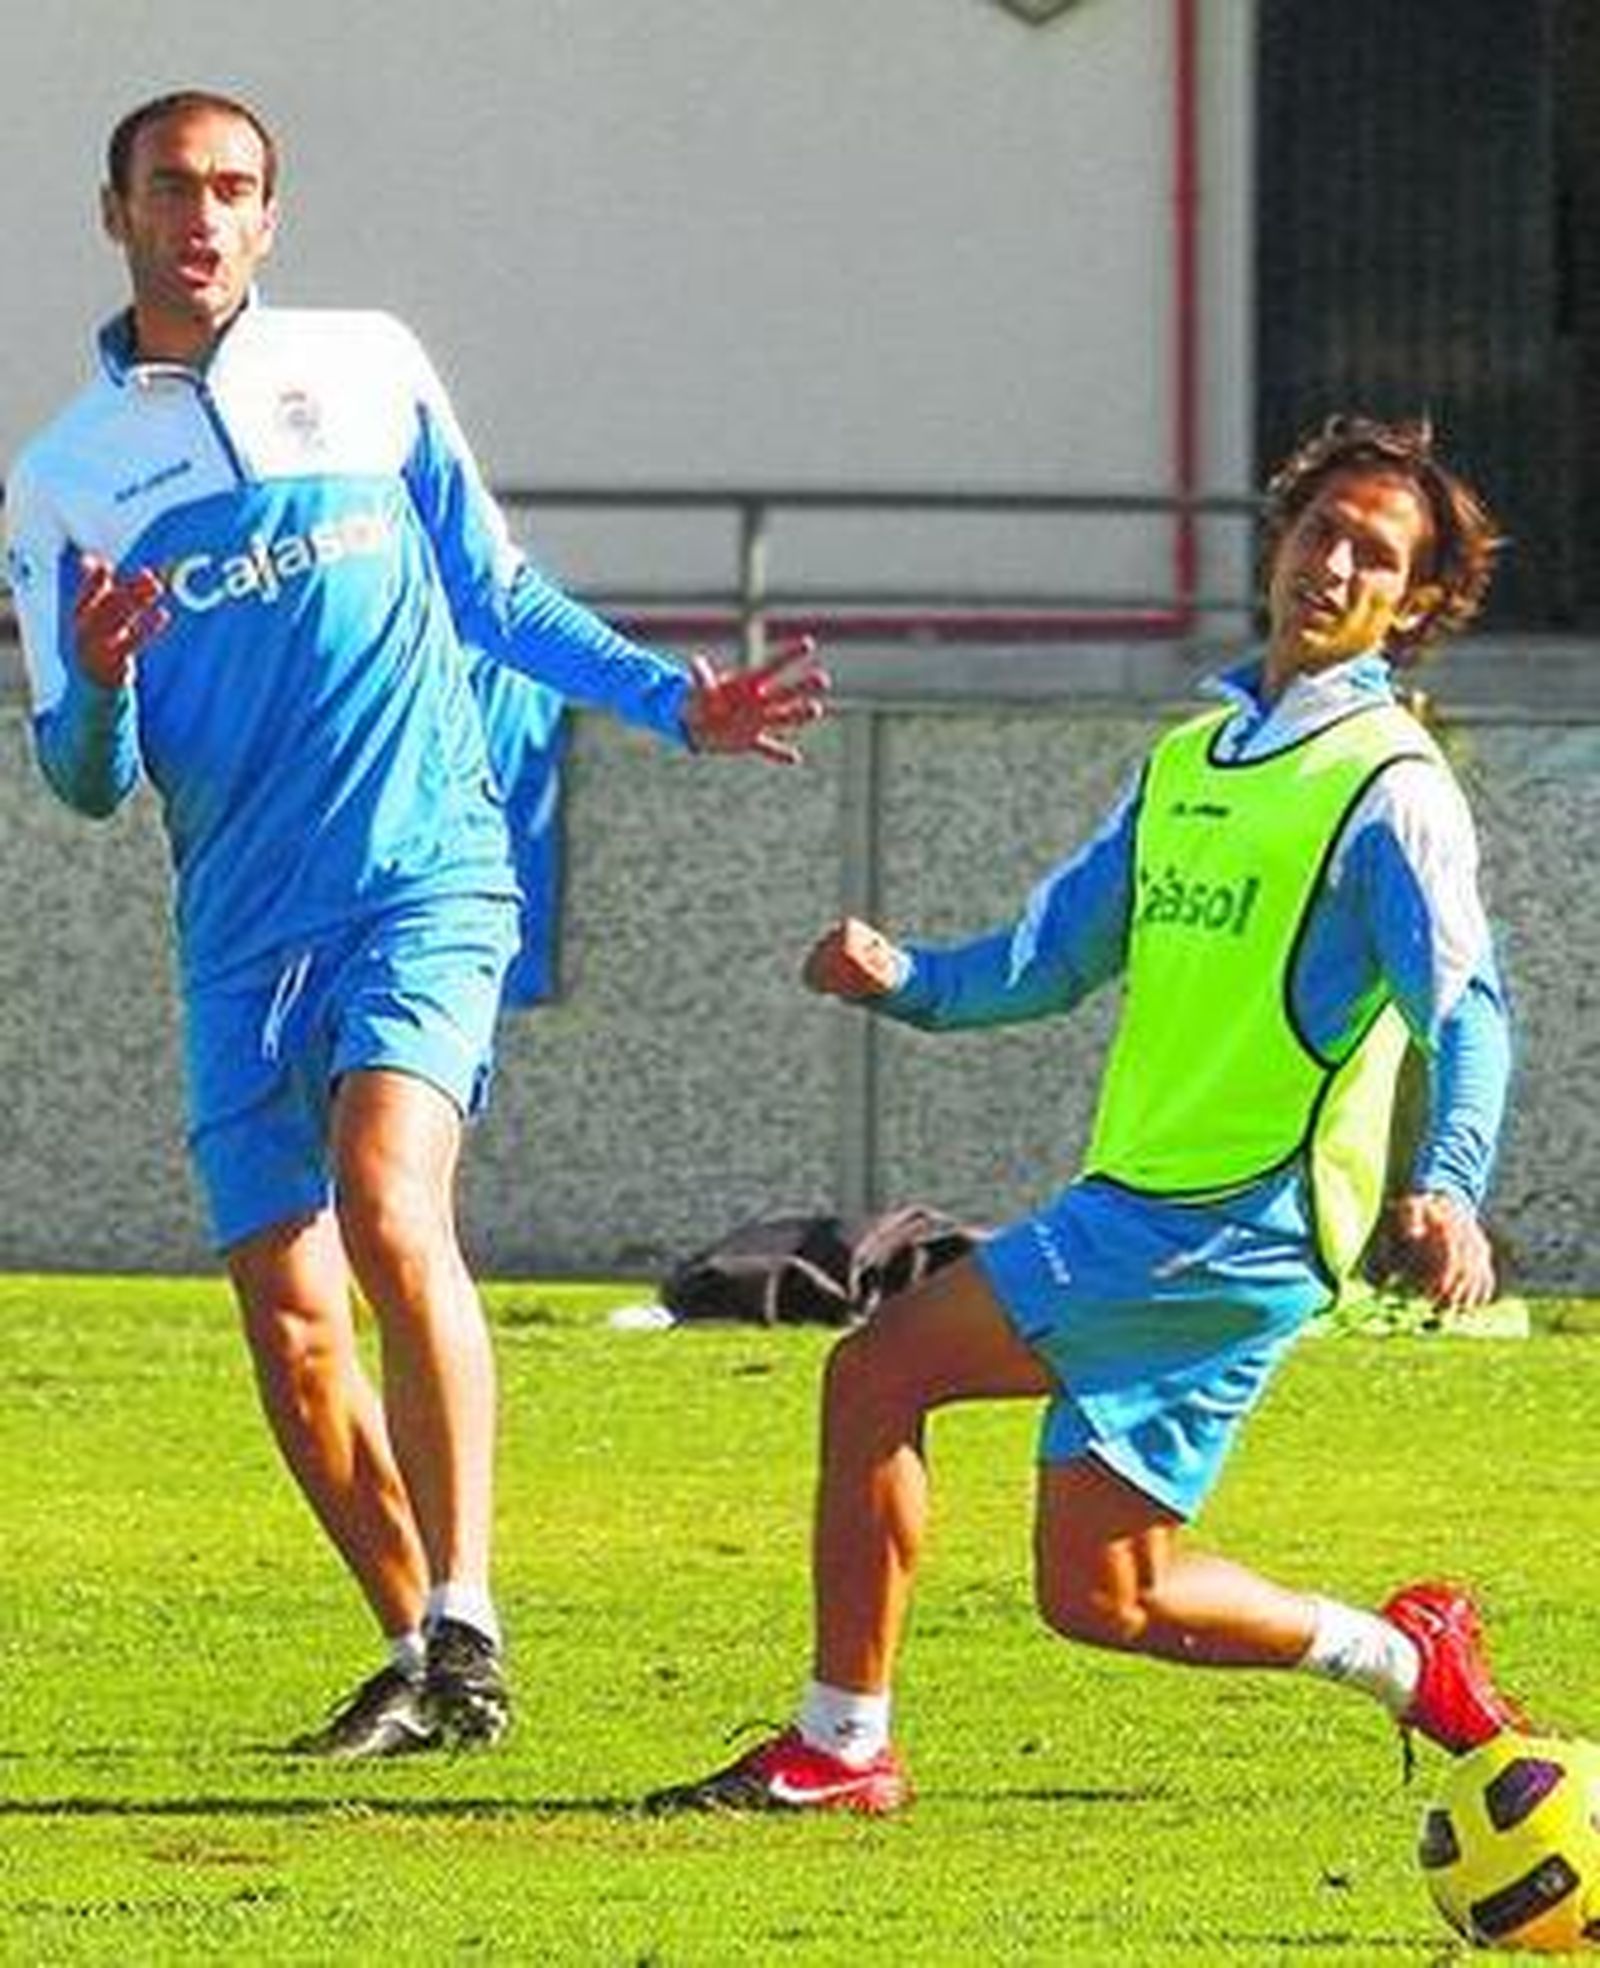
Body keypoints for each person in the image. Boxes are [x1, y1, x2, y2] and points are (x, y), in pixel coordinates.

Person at [3, 88, 828, 1759]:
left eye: (235, 189)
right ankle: (417, 1654)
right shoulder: (63, 479)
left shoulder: (371, 364)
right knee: (295, 1326)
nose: (205, 217)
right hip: (240, 935)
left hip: (423, 879)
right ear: (117, 213)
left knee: (390, 1201)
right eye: (173, 188)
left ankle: (471, 1611)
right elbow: (83, 780)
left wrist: (676, 705)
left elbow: (492, 593)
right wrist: (95, 680)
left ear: (271, 214)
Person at [647, 414, 1523, 1815]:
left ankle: (842, 1744)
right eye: (1321, 532)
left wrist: (1453, 1182)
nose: (1335, 565)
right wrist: (905, 981)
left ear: (1413, 605)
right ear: (1280, 543)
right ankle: (1409, 1663)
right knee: (1107, 1591)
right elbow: (1048, 961)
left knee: (878, 1371)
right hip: (1153, 1206)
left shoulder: (1391, 791)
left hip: (1235, 1219)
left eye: (1377, 554)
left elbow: (1471, 1011)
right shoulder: (1192, 759)